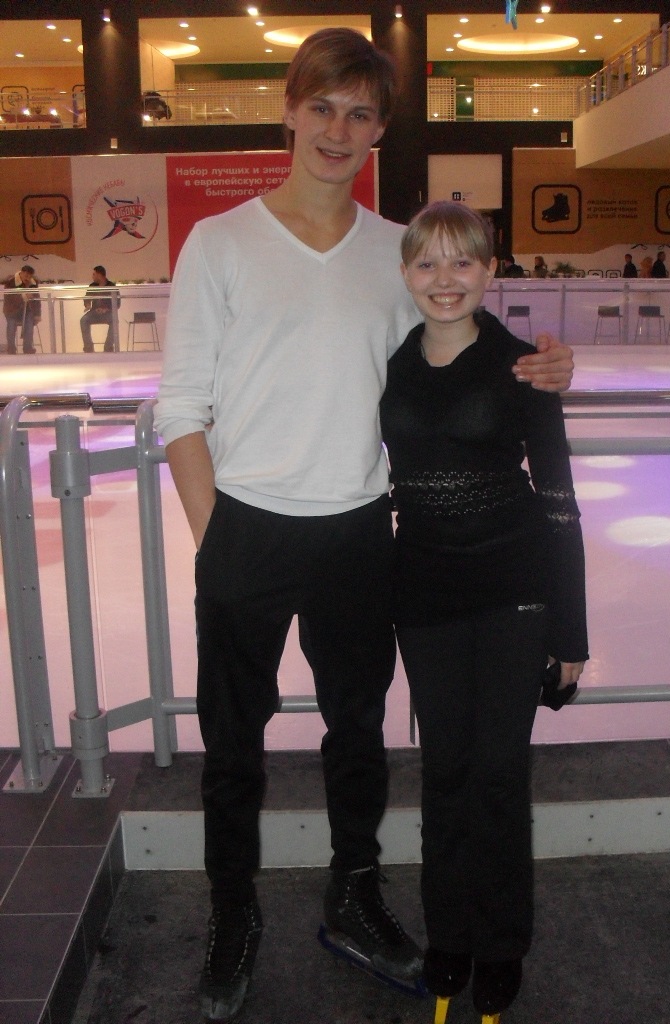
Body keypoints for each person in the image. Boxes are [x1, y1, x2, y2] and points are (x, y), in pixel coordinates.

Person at [153, 27, 574, 1024]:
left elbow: (462, 341)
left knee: (358, 732)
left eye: (360, 114)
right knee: (233, 744)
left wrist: (546, 364)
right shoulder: (221, 242)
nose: (338, 131)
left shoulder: (394, 251)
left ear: (378, 130)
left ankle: (353, 892)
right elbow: (181, 408)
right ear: (289, 112)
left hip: (356, 532)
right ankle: (233, 913)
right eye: (322, 108)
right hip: (248, 527)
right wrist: (217, 540)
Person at [380, 201, 588, 1024]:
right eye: (427, 262)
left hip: (513, 592)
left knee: (498, 774)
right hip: (426, 595)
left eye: (462, 261)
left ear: (490, 271)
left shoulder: (522, 366)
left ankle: (501, 943)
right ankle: (450, 936)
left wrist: (570, 631)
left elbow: (559, 497)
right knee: (445, 774)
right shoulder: (392, 364)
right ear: (406, 273)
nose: (445, 279)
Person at [80, 266, 120, 352]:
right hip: (94, 312)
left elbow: (117, 303)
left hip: (107, 313)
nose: (92, 276)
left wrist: (106, 309)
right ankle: (88, 347)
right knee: (83, 320)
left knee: (114, 320)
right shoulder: (92, 286)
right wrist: (87, 305)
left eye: (94, 274)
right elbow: (87, 298)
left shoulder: (111, 286)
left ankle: (108, 347)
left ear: (99, 275)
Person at [3, 264, 40, 355]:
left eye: (30, 276)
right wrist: (22, 296)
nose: (27, 278)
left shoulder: (33, 283)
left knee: (29, 325)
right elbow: (8, 297)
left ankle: (28, 348)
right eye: (26, 275)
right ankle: (11, 348)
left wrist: (37, 314)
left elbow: (37, 299)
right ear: (22, 273)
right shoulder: (10, 281)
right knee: (11, 326)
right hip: (12, 310)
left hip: (27, 309)